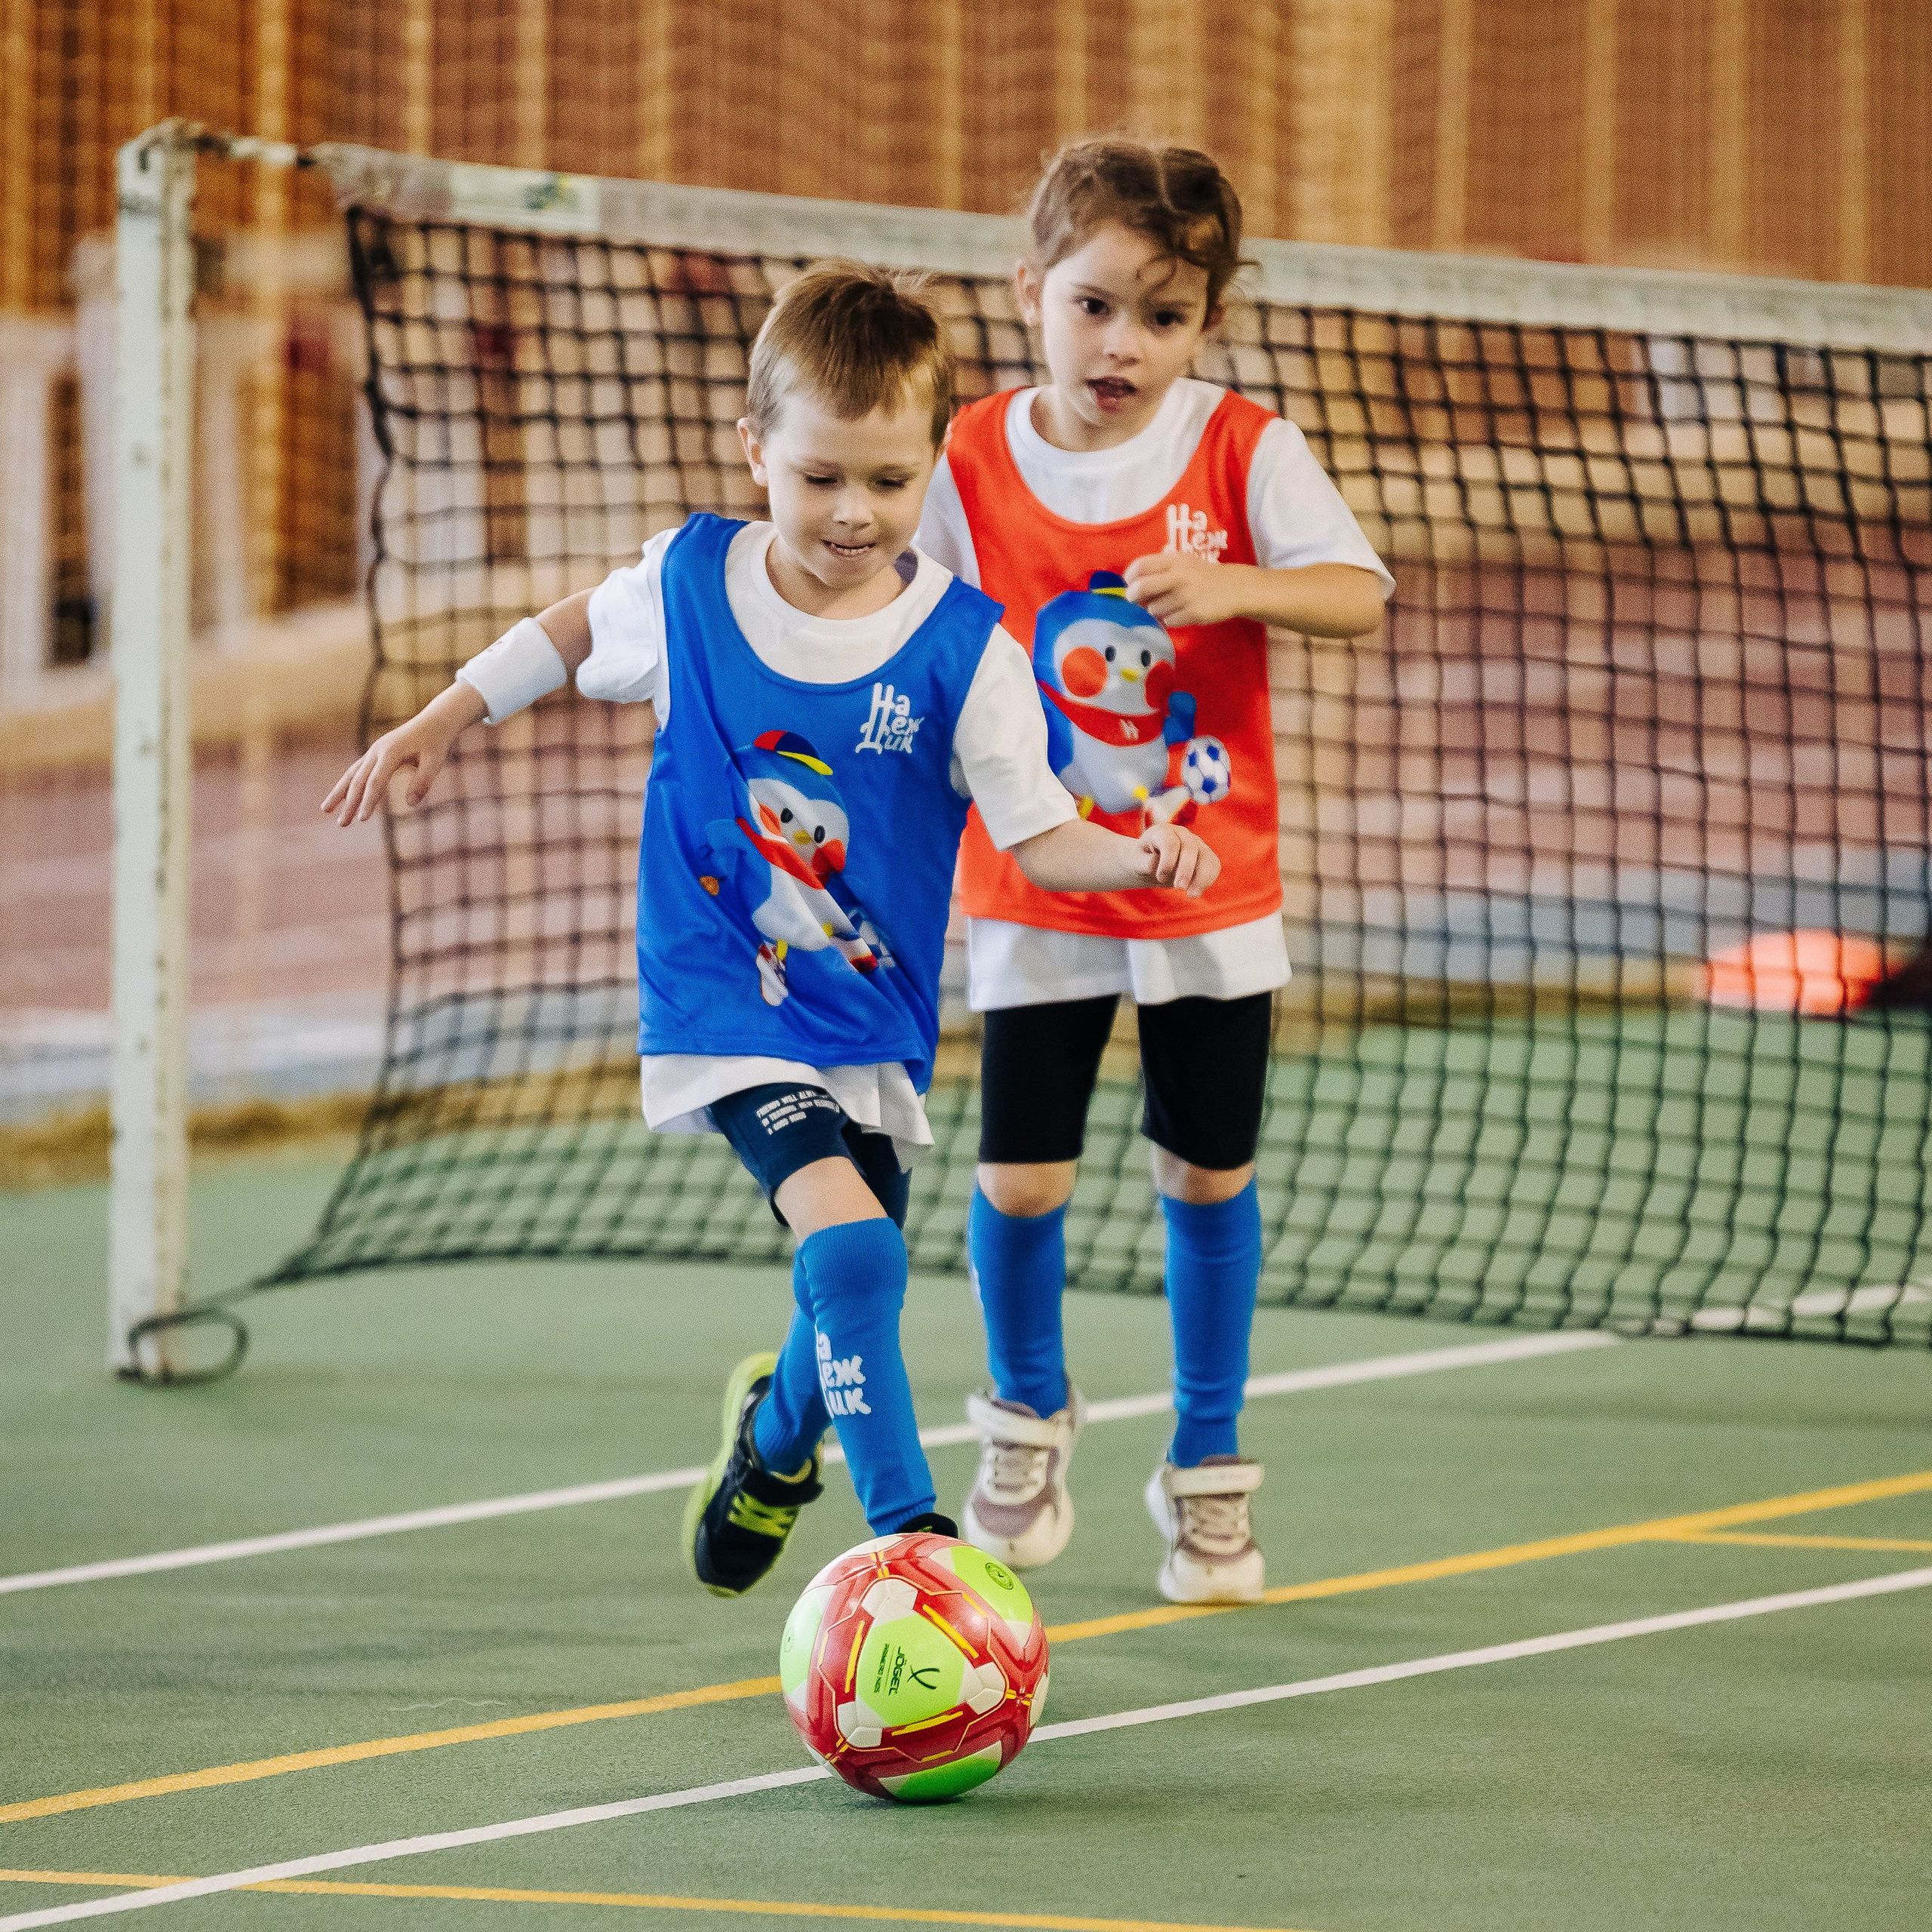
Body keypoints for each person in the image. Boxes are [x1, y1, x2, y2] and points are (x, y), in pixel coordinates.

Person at [325, 263, 1220, 1598]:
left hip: (873, 1018)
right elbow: (574, 633)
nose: (853, 514)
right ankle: (914, 1545)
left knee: (847, 1276)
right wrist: (444, 713)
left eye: (887, 481)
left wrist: (1143, 850)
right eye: (817, 480)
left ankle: (776, 1449)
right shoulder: (691, 584)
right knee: (855, 1249)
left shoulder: (967, 650)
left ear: (932, 464)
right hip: (722, 997)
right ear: (755, 452)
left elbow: (1038, 836)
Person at [915, 139, 1393, 1604]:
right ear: (1029, 293)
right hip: (1038, 878)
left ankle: (1203, 1464)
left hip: (1205, 888)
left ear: (1209, 321)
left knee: (1205, 1167)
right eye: (1094, 304)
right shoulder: (971, 453)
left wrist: (1236, 584)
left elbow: (1358, 593)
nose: (1123, 343)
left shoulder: (1245, 449)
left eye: (1164, 314)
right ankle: (1022, 1415)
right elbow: (919, 625)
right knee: (1020, 1171)